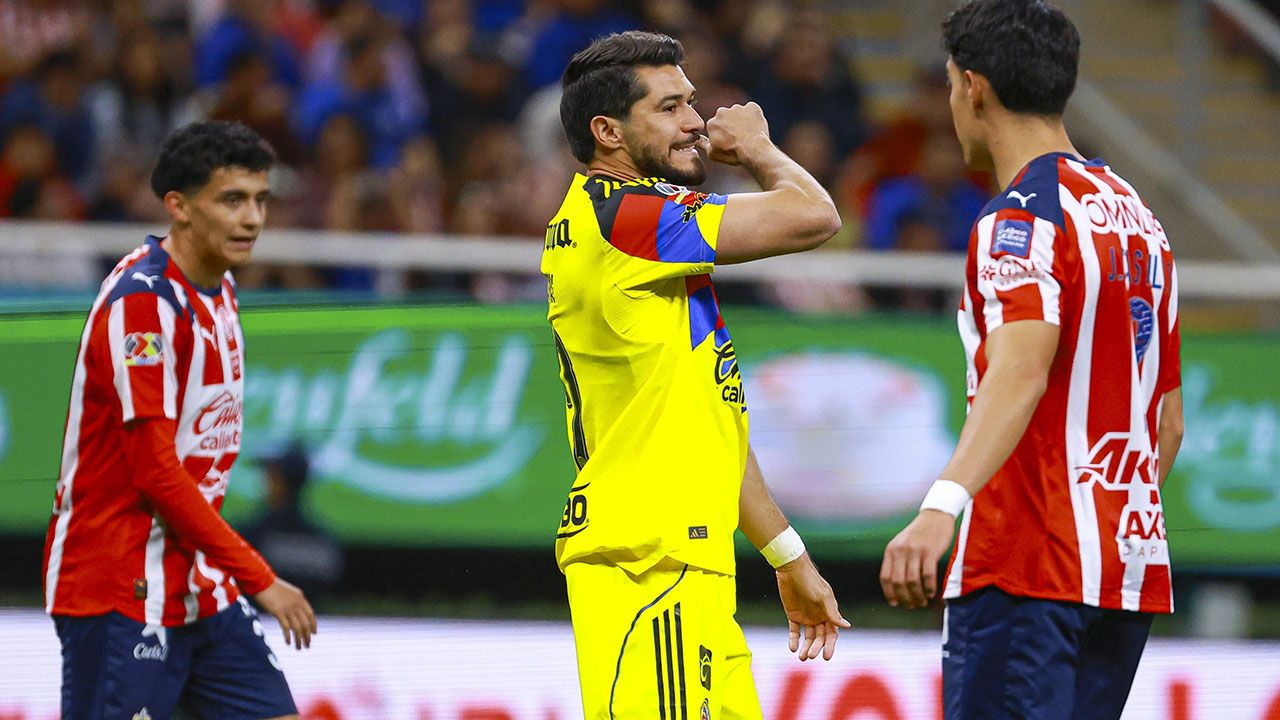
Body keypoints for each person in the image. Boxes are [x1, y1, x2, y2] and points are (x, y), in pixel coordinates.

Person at [879, 2, 1184, 719]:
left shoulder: (1019, 219)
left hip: (1025, 565)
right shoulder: (1140, 218)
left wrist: (941, 506)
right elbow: (1167, 423)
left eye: (950, 85)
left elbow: (1019, 370)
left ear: (974, 87)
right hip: (1124, 567)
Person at [543, 31, 848, 720]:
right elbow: (814, 216)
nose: (696, 123)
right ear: (607, 132)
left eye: (692, 102)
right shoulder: (625, 218)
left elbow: (710, 420)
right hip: (649, 561)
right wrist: (760, 149)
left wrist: (787, 556)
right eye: (670, 107)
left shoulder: (631, 229)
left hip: (685, 559)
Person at [41, 120, 316, 720]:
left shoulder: (221, 288)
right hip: (119, 585)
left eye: (260, 200)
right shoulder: (143, 304)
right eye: (232, 200)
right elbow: (156, 473)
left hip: (198, 585)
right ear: (179, 206)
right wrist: (259, 577)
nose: (252, 219)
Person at [240, 444, 345, 607]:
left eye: (270, 474)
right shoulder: (324, 541)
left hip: (260, 621)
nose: (265, 481)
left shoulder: (248, 536)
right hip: (312, 622)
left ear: (278, 481)